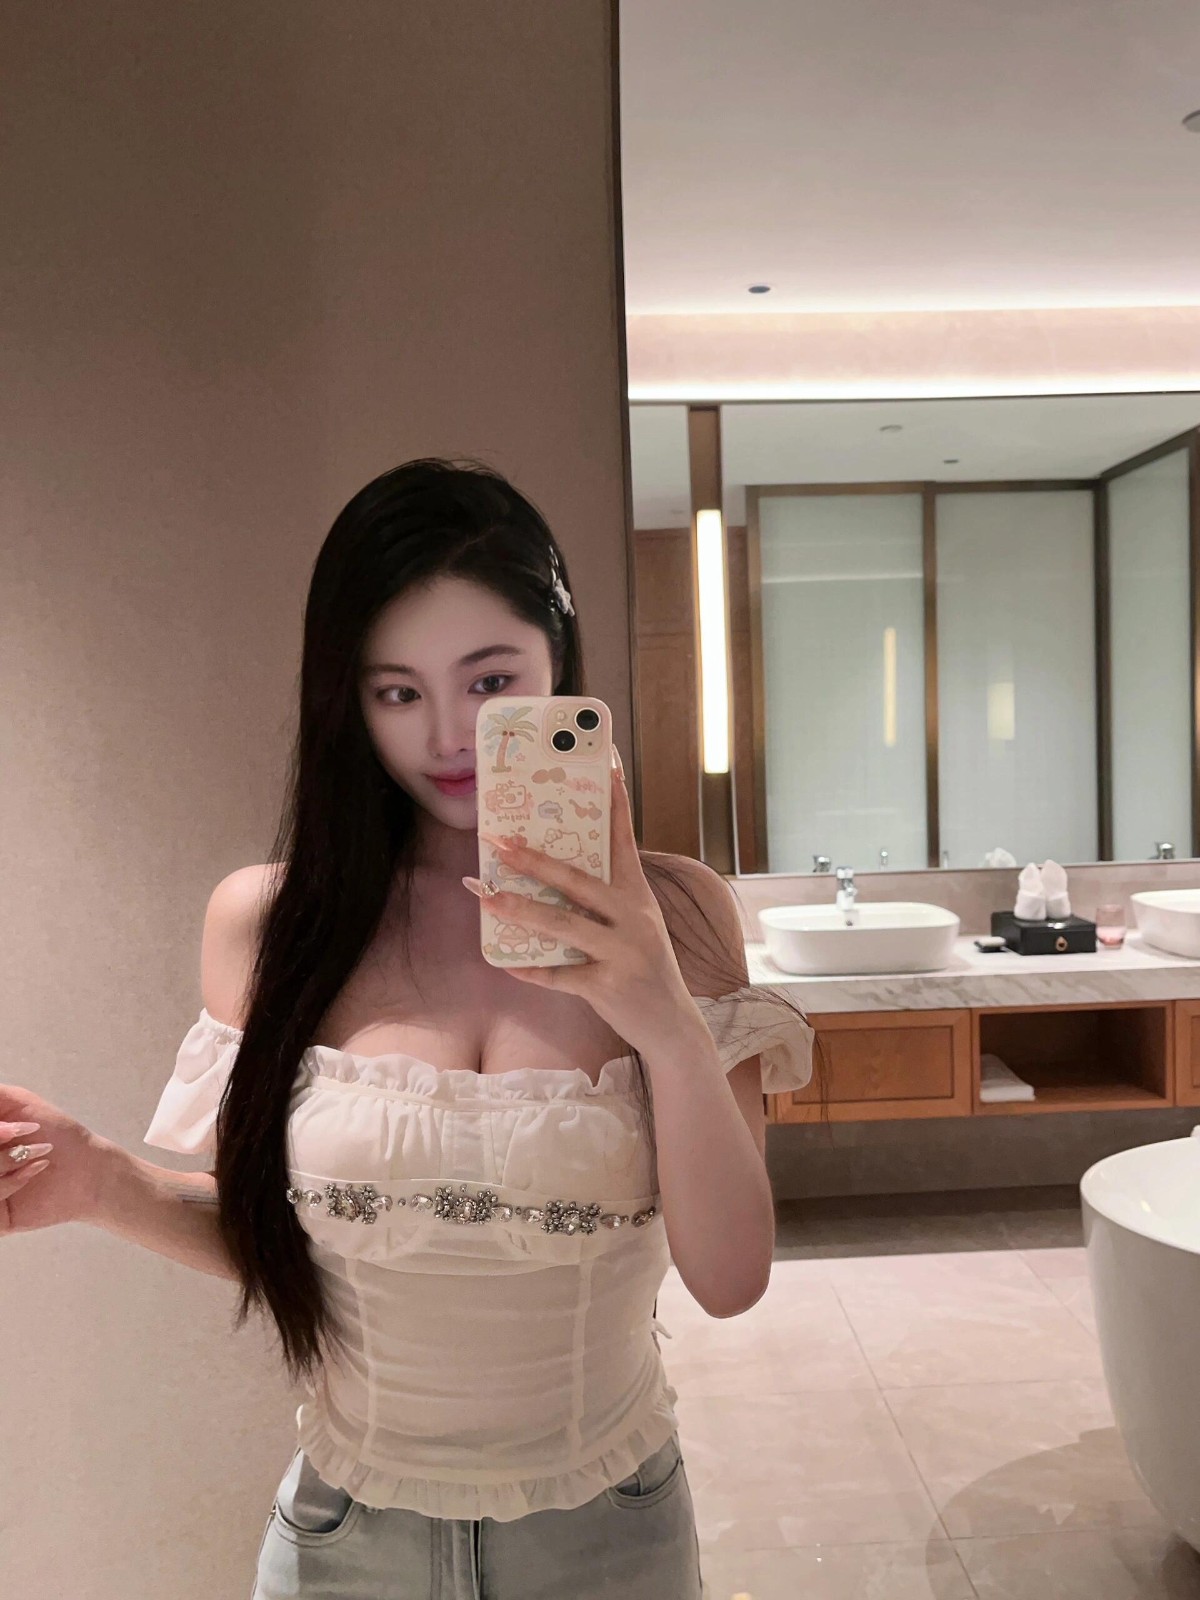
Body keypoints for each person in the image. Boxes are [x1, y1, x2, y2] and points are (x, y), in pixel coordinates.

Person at [0, 458, 815, 1599]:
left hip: (607, 1540)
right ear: (348, 699)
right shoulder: (272, 923)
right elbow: (295, 1242)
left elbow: (729, 1277)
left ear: (557, 665)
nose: (447, 735)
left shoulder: (679, 915)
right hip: (343, 1542)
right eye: (397, 692)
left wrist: (667, 1024)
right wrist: (102, 1181)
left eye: (491, 681)